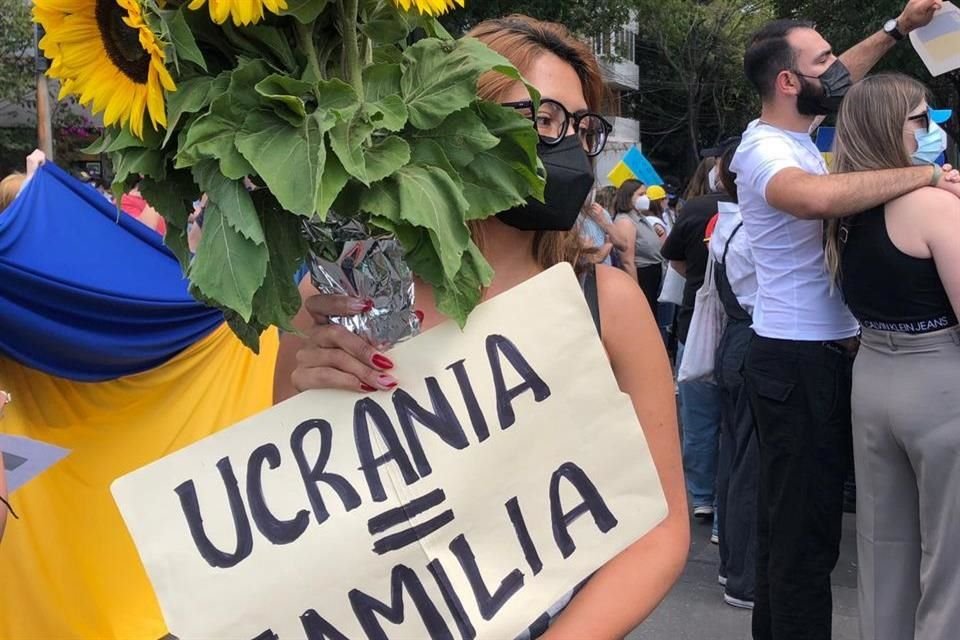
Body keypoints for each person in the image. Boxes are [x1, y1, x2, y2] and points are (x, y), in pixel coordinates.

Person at [274, 15, 689, 638]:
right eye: (543, 119)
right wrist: (308, 392)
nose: (568, 144)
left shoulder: (607, 305)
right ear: (455, 118)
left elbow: (661, 528)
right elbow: (280, 510)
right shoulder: (335, 297)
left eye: (581, 127)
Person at [730, 3, 960, 637]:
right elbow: (814, 199)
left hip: (824, 356)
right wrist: (926, 175)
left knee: (796, 529)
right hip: (795, 359)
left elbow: (844, 84)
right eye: (823, 61)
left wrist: (897, 30)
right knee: (803, 540)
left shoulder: (798, 138)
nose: (838, 71)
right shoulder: (763, 149)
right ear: (786, 82)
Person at [824, 73, 960, 640]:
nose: (930, 132)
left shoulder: (841, 214)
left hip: (873, 376)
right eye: (920, 119)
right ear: (891, 127)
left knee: (883, 547)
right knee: (951, 559)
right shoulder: (933, 206)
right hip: (940, 381)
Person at [662, 149, 736, 526]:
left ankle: (702, 496)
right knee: (737, 424)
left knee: (699, 418)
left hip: (696, 325)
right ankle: (729, 503)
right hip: (749, 327)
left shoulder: (693, 209)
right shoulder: (769, 206)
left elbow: (673, 259)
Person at [708, 141, 760, 612]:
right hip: (751, 343)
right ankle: (744, 577)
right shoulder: (748, 230)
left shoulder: (727, 224)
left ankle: (732, 565)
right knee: (749, 465)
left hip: (734, 345)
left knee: (734, 458)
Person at [612, 179, 667, 311]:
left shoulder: (639, 217)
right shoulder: (625, 221)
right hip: (643, 274)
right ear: (628, 197)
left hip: (653, 273)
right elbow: (627, 261)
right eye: (641, 194)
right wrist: (636, 292)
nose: (646, 198)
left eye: (646, 194)